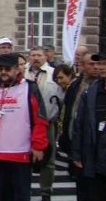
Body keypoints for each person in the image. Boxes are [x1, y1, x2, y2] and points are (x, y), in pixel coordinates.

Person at [0, 53, 49, 201]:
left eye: (7, 69)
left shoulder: (30, 88)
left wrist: (38, 145)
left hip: (20, 153)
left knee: (19, 195)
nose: (3, 72)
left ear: (17, 69)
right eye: (0, 69)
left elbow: (40, 119)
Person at [61, 52, 103, 197]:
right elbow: (72, 119)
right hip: (86, 151)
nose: (97, 67)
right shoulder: (81, 88)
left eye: (101, 64)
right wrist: (75, 152)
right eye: (93, 64)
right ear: (82, 66)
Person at [26, 46, 63, 201]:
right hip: (26, 123)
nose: (36, 58)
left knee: (49, 159)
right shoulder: (23, 73)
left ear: (45, 57)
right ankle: (24, 187)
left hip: (48, 121)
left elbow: (61, 98)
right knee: (25, 156)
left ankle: (46, 191)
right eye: (33, 55)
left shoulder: (53, 74)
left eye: (39, 55)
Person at [70, 67, 106, 201]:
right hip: (92, 157)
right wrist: (77, 153)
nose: (100, 67)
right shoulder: (91, 92)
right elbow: (79, 124)